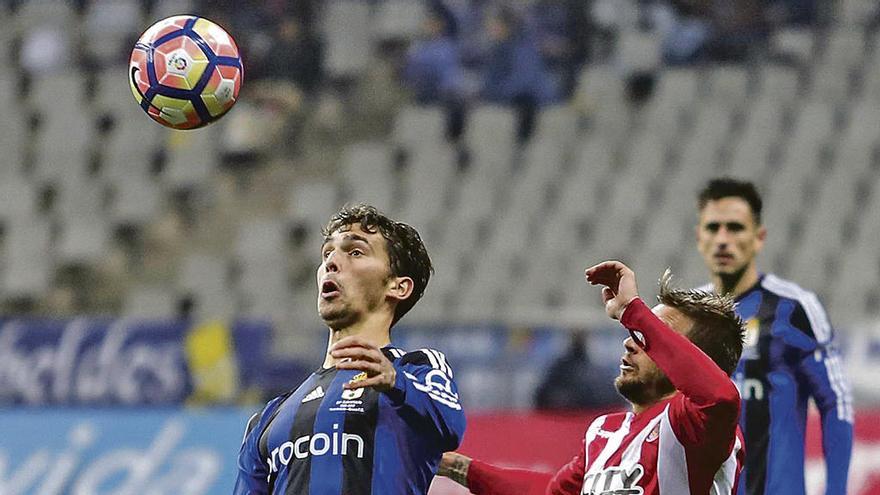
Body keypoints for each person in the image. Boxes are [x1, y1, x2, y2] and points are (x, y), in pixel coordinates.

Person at [439, 260, 746, 494]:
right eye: (637, 333)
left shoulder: (695, 426)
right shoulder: (604, 430)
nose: (631, 340)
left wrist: (633, 311)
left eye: (650, 335)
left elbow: (720, 396)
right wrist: (458, 466)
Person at [234, 204, 466, 494]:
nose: (331, 262)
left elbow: (451, 425)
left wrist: (395, 382)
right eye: (327, 253)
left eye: (355, 251)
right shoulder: (269, 417)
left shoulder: (416, 369)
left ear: (398, 287)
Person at [695, 178, 853, 495]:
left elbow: (836, 403)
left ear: (759, 238)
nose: (723, 239)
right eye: (713, 228)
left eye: (735, 228)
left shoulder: (795, 308)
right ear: (699, 237)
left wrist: (835, 490)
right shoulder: (686, 316)